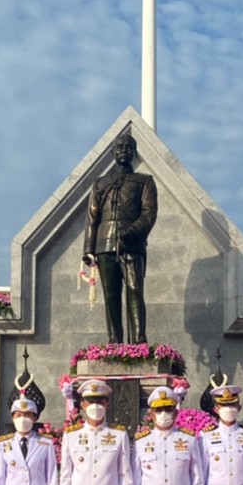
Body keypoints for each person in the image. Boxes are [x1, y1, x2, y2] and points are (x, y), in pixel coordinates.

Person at [82, 132, 158, 344]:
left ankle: (139, 342)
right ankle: (115, 341)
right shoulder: (100, 183)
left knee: (134, 291)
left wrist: (132, 230)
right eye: (120, 147)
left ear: (134, 153)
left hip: (132, 245)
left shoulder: (145, 182)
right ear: (113, 151)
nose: (124, 151)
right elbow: (92, 217)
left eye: (128, 147)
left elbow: (149, 214)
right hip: (104, 245)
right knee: (111, 296)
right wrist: (88, 249)